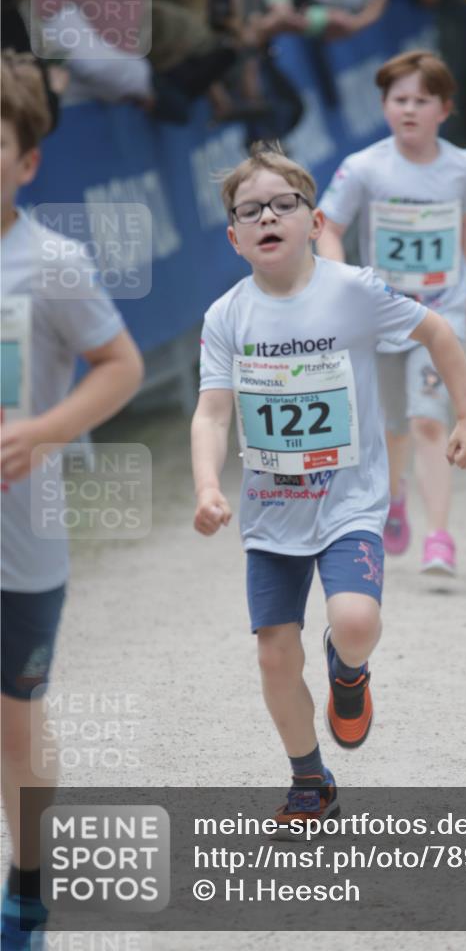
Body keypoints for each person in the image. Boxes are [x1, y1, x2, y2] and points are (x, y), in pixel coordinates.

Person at [190, 142, 466, 827]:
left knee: (354, 623)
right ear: (235, 237)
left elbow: (436, 331)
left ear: (314, 219)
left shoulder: (353, 291)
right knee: (272, 657)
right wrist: (207, 485)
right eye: (250, 210)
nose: (268, 217)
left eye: (283, 205)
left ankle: (348, 672)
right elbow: (211, 413)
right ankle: (309, 781)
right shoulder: (226, 316)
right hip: (271, 514)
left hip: (350, 500)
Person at [0, 51, 143, 950]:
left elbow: (122, 367)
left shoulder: (48, 264)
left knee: (15, 727)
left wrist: (42, 431)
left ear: (26, 163)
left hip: (20, 547)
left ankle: (27, 886)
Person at [317, 49, 466, 576]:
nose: (408, 109)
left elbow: (465, 229)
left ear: (445, 108)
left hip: (443, 314)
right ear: (384, 106)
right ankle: (393, 496)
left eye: (421, 100)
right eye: (398, 99)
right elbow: (328, 226)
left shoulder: (463, 166)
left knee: (428, 421)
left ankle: (439, 536)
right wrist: (344, 285)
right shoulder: (363, 167)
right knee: (392, 425)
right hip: (383, 316)